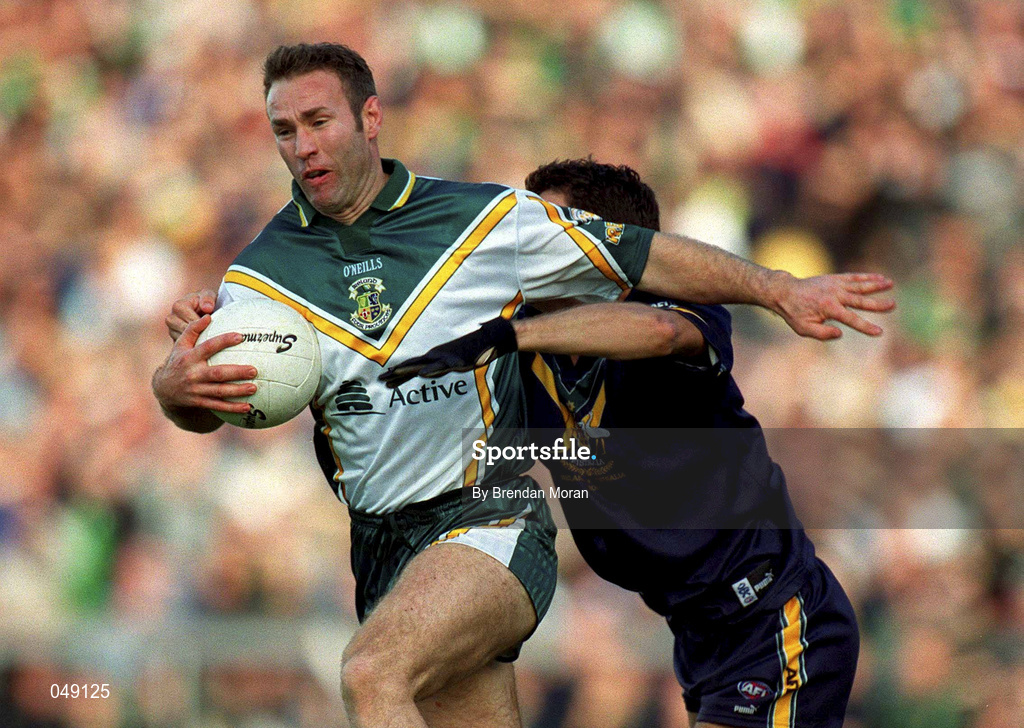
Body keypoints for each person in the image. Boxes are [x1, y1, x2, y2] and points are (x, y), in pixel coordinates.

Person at [153, 43, 892, 728]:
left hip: (773, 614)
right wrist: (180, 383)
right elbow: (233, 396)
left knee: (371, 674)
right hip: (679, 634)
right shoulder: (273, 271)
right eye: (284, 128)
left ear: (370, 117)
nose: (302, 144)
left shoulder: (659, 320)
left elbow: (659, 330)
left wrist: (778, 288)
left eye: (318, 120)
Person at [383, 158, 885, 728]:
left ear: (605, 247)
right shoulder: (527, 350)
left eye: (547, 228)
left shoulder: (672, 309)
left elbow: (660, 334)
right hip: (700, 636)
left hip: (777, 615)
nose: (523, 244)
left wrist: (510, 335)